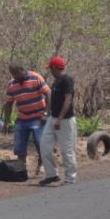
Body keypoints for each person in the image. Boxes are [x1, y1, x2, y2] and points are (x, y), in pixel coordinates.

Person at [3, 63, 51, 174]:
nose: (15, 76)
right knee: (19, 144)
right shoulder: (11, 84)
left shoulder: (36, 77)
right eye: (12, 74)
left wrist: (46, 113)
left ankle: (41, 164)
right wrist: (6, 121)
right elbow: (9, 104)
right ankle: (22, 168)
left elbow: (48, 94)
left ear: (22, 69)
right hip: (22, 118)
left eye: (16, 73)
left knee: (40, 142)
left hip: (38, 117)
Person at [39, 57, 77, 186]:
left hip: (65, 120)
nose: (50, 70)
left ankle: (70, 178)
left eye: (50, 68)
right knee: (44, 146)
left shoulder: (67, 80)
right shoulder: (56, 81)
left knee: (67, 150)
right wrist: (47, 113)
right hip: (52, 118)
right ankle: (52, 174)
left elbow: (68, 100)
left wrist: (60, 119)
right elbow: (52, 100)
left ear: (55, 68)